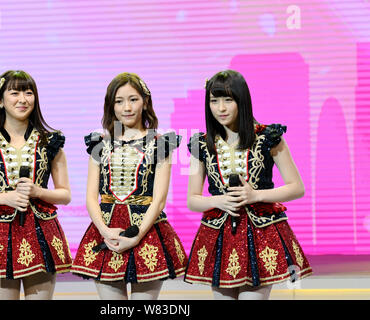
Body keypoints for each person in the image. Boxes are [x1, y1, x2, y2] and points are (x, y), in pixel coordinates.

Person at [184, 70, 312, 300]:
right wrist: (219, 200)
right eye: (214, 101)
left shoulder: (268, 136)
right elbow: (192, 200)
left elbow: (296, 187)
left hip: (261, 233)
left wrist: (255, 195)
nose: (220, 108)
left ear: (242, 101)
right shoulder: (200, 145)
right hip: (219, 234)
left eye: (228, 100)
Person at [0, 70, 72, 300]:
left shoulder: (50, 142)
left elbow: (65, 194)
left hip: (42, 234)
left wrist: (39, 191)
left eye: (28, 93)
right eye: (14, 93)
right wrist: (4, 198)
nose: (23, 99)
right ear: (0, 100)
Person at [70, 72, 187, 300]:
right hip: (106, 231)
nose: (127, 107)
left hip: (146, 232)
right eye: (119, 101)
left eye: (133, 99)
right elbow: (91, 197)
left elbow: (159, 199)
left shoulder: (160, 143)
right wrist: (104, 231)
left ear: (145, 102)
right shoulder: (99, 143)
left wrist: (136, 235)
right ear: (111, 106)